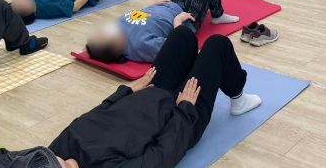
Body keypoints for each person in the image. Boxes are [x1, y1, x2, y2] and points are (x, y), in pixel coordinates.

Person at [50, 25, 262, 166]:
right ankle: (239, 100)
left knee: (182, 35)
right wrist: (185, 110)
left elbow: (93, 117)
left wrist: (127, 91)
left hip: (147, 93)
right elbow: (162, 155)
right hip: (179, 116)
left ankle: (190, 72)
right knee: (217, 44)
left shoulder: (53, 151)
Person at [85, 0, 240, 63]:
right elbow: (177, 47)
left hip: (167, 4)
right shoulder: (140, 46)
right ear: (116, 48)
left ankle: (214, 8)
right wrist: (178, 22)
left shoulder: (118, 27)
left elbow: (139, 16)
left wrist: (151, 5)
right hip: (185, 16)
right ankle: (217, 15)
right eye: (102, 36)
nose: (102, 31)